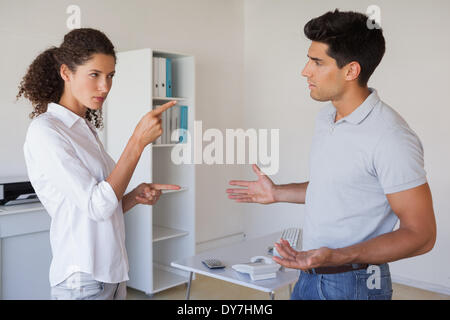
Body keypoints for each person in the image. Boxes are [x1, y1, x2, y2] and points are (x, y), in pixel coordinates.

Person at [227, 9, 436, 300]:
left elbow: (421, 234)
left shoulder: (391, 138)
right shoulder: (327, 118)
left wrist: (337, 256)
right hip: (310, 273)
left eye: (317, 62)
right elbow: (339, 190)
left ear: (351, 70)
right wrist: (277, 192)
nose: (305, 70)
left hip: (356, 284)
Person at [18, 28, 180, 300]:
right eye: (94, 74)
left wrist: (133, 197)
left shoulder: (83, 128)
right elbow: (96, 206)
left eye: (110, 76)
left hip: (112, 274)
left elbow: (101, 206)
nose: (105, 86)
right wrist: (137, 142)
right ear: (66, 73)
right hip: (84, 278)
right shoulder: (46, 131)